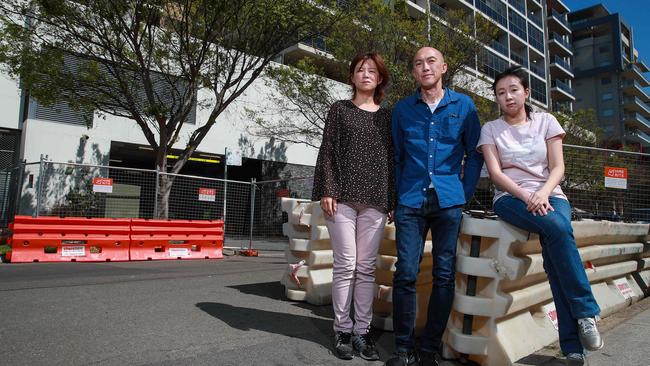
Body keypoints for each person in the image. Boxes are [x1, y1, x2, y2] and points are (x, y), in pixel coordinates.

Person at [478, 66, 603, 366]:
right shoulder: (491, 129)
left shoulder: (546, 121)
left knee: (556, 249)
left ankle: (573, 350)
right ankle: (586, 312)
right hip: (510, 198)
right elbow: (496, 175)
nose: (507, 96)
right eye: (500, 92)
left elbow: (558, 167)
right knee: (559, 229)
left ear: (526, 92)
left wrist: (543, 193)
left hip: (551, 195)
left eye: (513, 90)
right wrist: (526, 196)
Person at [386, 46, 483, 366]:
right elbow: (397, 156)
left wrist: (463, 192)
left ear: (443, 67)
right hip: (410, 201)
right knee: (406, 273)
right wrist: (398, 195)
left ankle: (428, 348)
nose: (425, 67)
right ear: (413, 72)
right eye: (418, 63)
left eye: (431, 62)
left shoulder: (464, 106)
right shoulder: (402, 110)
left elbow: (475, 152)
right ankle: (403, 348)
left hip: (448, 202)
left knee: (444, 274)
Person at [312, 52, 394, 361]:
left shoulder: (387, 116)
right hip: (342, 197)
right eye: (360, 70)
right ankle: (342, 330)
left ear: (380, 78)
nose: (366, 74)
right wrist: (328, 189)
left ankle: (363, 332)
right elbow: (328, 151)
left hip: (375, 199)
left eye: (372, 70)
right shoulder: (339, 110)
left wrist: (392, 200)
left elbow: (392, 159)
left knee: (366, 268)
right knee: (346, 264)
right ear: (352, 77)